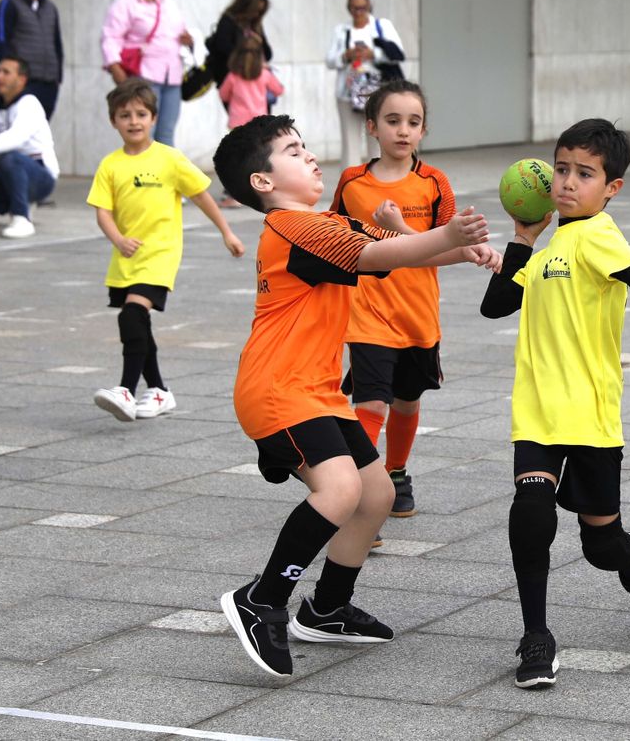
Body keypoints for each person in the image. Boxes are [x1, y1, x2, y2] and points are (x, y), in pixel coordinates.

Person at [211, 114, 497, 676]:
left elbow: (395, 246)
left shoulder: (326, 224)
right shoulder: (291, 227)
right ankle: (262, 598)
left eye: (305, 146)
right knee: (340, 489)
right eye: (293, 151)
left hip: (316, 392)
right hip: (278, 391)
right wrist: (449, 237)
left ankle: (327, 609)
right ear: (263, 182)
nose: (309, 156)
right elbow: (375, 257)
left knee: (374, 497)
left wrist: (457, 251)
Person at [480, 119, 630, 689]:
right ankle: (536, 636)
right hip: (537, 411)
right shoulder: (553, 243)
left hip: (587, 413)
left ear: (612, 187)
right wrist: (522, 237)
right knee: (530, 516)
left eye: (584, 174)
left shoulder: (598, 237)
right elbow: (496, 305)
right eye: (561, 169)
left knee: (600, 542)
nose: (566, 182)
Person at [329, 80, 465, 520]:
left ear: (423, 130)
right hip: (367, 314)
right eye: (392, 121)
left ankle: (397, 470)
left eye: (413, 122)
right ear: (372, 127)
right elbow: (335, 238)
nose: (403, 131)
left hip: (417, 317)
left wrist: (400, 230)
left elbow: (446, 249)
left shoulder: (434, 183)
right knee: (370, 403)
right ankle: (361, 492)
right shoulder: (351, 182)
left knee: (406, 401)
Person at [87, 79, 244, 422]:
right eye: (124, 115)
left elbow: (201, 194)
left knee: (132, 314)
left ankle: (126, 389)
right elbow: (102, 212)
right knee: (137, 322)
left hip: (160, 254)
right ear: (113, 121)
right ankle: (158, 390)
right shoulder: (110, 165)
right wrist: (118, 240)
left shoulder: (169, 159)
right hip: (126, 257)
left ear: (154, 118)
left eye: (141, 114)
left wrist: (226, 232)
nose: (133, 121)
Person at [101, 0, 192, 146]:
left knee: (166, 134)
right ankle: (143, 174)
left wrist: (188, 40)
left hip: (172, 76)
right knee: (142, 133)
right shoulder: (125, 4)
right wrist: (116, 69)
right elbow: (110, 37)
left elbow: (180, 32)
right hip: (144, 75)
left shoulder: (168, 5)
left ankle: (166, 176)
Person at [0, 56, 58, 238]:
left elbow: (16, 137)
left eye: (6, 72)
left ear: (22, 79)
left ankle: (21, 218)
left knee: (9, 158)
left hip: (41, 176)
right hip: (6, 175)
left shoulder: (30, 104)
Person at [326, 0, 404, 165]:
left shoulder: (381, 26)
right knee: (350, 144)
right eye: (353, 8)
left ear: (369, 5)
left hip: (377, 93)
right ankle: (350, 187)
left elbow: (397, 53)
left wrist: (373, 54)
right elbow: (330, 60)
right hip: (347, 93)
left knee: (377, 142)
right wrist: (346, 56)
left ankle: (377, 184)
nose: (357, 12)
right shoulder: (342, 31)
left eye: (361, 8)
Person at [0, 0, 64, 118]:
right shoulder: (8, 3)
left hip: (49, 80)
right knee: (22, 123)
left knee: (42, 126)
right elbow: (1, 41)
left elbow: (57, 43)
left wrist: (58, 75)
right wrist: (11, 74)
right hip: (24, 80)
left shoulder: (50, 7)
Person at [205, 0, 271, 89]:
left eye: (260, 12)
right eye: (255, 10)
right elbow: (223, 46)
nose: (256, 15)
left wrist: (259, 43)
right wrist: (246, 57)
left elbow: (268, 54)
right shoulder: (228, 21)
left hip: (255, 81)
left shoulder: (255, 25)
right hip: (233, 79)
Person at [219, 35, 284, 129]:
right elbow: (279, 90)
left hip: (237, 121)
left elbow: (223, 95)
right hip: (259, 122)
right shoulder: (264, 74)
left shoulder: (233, 75)